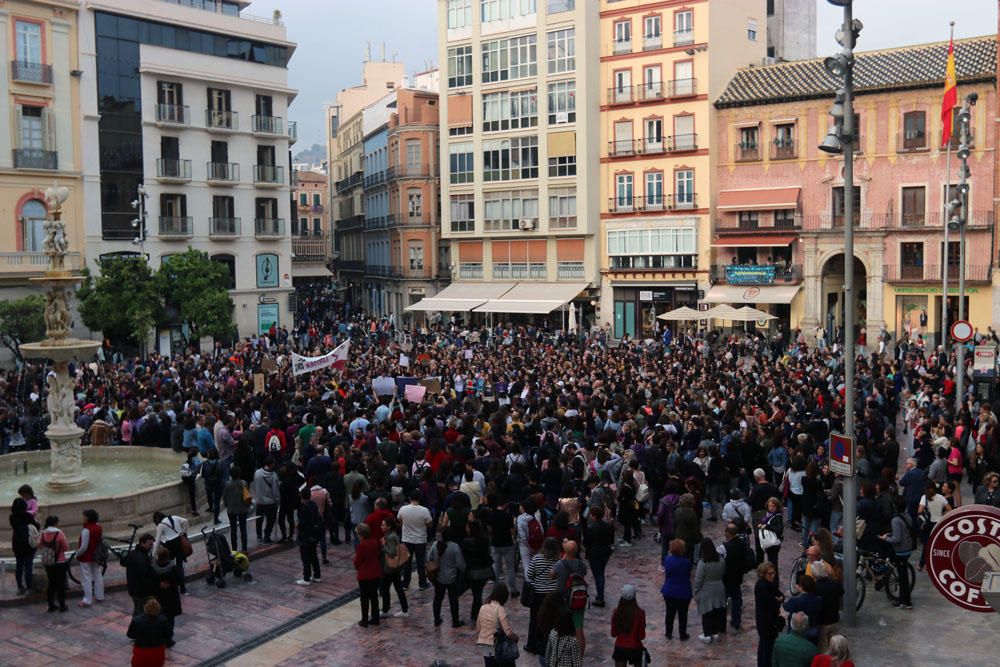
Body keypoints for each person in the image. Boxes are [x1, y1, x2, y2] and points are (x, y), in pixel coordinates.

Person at [526, 537, 561, 653]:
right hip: (552, 595)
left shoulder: (536, 559)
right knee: (551, 620)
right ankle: (548, 644)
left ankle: (532, 644)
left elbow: (529, 575)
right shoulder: (558, 561)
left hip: (537, 594)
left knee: (534, 619)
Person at [880, 496, 915, 610]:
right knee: (903, 575)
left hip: (901, 550)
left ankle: (905, 601)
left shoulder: (895, 520)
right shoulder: (907, 516)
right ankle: (905, 599)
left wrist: (885, 539)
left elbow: (897, 539)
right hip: (908, 547)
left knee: (903, 577)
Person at [475, 582, 518, 667]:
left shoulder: (483, 607)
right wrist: (516, 638)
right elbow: (508, 631)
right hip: (497, 645)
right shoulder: (500, 609)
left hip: (485, 645)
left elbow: (478, 628)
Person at [429, 534, 467, 628]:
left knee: (438, 598)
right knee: (453, 600)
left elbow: (429, 558)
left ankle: (436, 619)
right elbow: (460, 564)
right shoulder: (455, 547)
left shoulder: (435, 545)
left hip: (438, 577)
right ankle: (455, 621)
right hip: (452, 578)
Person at [398, 489, 433, 591]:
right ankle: (422, 583)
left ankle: (405, 583)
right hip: (420, 540)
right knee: (420, 562)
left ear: (409, 498)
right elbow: (430, 524)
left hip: (406, 539)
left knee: (407, 562)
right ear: (420, 498)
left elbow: (400, 521)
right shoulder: (424, 510)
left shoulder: (403, 509)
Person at [693, 536, 726, 644]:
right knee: (716, 610)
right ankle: (714, 632)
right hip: (719, 587)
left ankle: (707, 634)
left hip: (707, 589)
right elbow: (723, 572)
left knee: (706, 612)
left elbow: (698, 579)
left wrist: (696, 592)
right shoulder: (721, 560)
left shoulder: (703, 563)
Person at [582, 505, 614, 607]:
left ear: (593, 516)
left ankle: (600, 598)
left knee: (598, 575)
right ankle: (600, 595)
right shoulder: (608, 525)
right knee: (600, 573)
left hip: (594, 553)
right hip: (605, 552)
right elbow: (611, 539)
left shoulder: (591, 528)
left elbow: (585, 542)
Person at [661, 538, 692, 641]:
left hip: (669, 590)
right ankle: (682, 634)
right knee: (683, 614)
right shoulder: (687, 562)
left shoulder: (667, 560)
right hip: (683, 591)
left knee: (669, 613)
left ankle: (668, 632)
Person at [149, 547, 181, 647]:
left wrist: (158, 584)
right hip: (171, 597)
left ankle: (160, 637)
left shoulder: (153, 568)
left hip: (159, 597)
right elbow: (179, 580)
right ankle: (168, 639)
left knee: (159, 617)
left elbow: (149, 580)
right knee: (170, 619)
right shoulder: (173, 568)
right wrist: (170, 584)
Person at [754, 561, 784, 667]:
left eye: (774, 573)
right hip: (765, 622)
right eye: (770, 573)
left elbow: (779, 594)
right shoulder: (762, 586)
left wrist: (780, 599)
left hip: (769, 621)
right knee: (766, 648)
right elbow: (771, 604)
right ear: (763, 574)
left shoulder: (769, 584)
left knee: (765, 646)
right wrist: (778, 601)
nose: (773, 575)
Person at [810, 560, 844, 652]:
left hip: (822, 622)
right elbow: (841, 592)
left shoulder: (815, 588)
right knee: (834, 645)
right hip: (834, 618)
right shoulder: (834, 584)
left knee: (823, 647)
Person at [720, 523, 749, 631]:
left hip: (727, 577)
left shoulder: (725, 546)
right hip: (737, 576)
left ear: (728, 533)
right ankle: (736, 621)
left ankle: (721, 624)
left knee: (723, 601)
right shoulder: (742, 543)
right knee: (737, 599)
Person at [152, 511, 189, 595]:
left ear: (157, 519)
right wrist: (184, 532)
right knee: (180, 566)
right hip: (179, 542)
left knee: (168, 565)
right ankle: (183, 589)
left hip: (170, 545)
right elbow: (185, 521)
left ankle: (171, 585)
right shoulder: (174, 517)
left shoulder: (161, 525)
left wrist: (153, 554)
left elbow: (157, 541)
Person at [354, 522, 383, 627]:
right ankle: (375, 618)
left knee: (364, 598)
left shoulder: (361, 545)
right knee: (374, 596)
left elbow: (358, 561)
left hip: (365, 574)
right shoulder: (375, 542)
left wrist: (356, 565)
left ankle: (364, 620)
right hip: (375, 573)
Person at [127, 597, 171, 667]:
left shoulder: (137, 620)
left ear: (145, 608)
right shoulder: (163, 620)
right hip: (157, 649)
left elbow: (130, 634)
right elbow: (168, 635)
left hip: (141, 649)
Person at [610, 583, 646, 667]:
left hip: (620, 647)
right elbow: (641, 636)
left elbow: (613, 634)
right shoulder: (640, 613)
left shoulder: (616, 612)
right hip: (635, 647)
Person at [38, 514, 69, 612]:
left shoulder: (43, 534)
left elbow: (39, 545)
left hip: (48, 562)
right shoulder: (59, 534)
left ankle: (51, 605)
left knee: (51, 583)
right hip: (60, 562)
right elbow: (65, 547)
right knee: (61, 584)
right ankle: (62, 605)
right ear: (55, 523)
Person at [380, 516, 409, 617]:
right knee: (397, 588)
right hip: (395, 568)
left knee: (386, 589)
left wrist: (383, 545)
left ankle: (385, 610)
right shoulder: (392, 535)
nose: (381, 526)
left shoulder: (390, 537)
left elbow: (391, 552)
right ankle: (404, 609)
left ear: (389, 527)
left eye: (383, 525)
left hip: (390, 568)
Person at [9, 496, 38, 595]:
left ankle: (20, 587)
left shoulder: (12, 517)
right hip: (27, 542)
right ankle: (29, 588)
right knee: (28, 565)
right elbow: (36, 526)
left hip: (17, 543)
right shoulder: (28, 516)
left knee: (19, 565)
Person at [77, 508, 105, 607]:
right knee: (97, 575)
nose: (83, 519)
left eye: (84, 517)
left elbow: (84, 547)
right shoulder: (98, 527)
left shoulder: (86, 530)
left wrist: (77, 553)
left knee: (86, 577)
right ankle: (100, 596)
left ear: (88, 518)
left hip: (86, 556)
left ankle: (87, 599)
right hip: (96, 555)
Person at [296, 487, 322, 585]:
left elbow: (302, 523)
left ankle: (306, 578)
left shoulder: (303, 508)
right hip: (314, 535)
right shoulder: (313, 505)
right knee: (314, 555)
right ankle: (317, 575)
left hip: (305, 536)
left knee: (306, 558)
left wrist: (298, 526)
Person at [126, 533, 156, 617]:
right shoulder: (142, 558)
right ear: (142, 543)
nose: (151, 547)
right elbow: (143, 577)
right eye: (149, 544)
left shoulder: (133, 554)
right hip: (140, 591)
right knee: (140, 612)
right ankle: (136, 628)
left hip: (133, 589)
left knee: (138, 609)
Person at [252, 456, 280, 544]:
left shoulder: (257, 473)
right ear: (271, 464)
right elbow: (276, 492)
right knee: (270, 520)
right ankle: (267, 536)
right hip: (270, 503)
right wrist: (277, 501)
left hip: (259, 501)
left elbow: (254, 485)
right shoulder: (274, 476)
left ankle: (259, 536)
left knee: (259, 520)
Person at [222, 466, 251, 553]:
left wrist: (228, 505)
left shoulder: (227, 484)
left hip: (231, 510)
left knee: (233, 529)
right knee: (243, 528)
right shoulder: (244, 483)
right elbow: (247, 496)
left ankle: (234, 549)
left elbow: (224, 497)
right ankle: (244, 548)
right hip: (242, 509)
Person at [757, 496, 784, 577]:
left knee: (773, 564)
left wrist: (767, 526)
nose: (771, 508)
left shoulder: (778, 517)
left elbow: (779, 529)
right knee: (771, 562)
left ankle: (774, 581)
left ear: (777, 507)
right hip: (769, 543)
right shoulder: (768, 515)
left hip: (774, 544)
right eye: (770, 506)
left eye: (773, 506)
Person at [199, 448, 224, 523]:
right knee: (217, 502)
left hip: (208, 484)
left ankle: (210, 508)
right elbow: (222, 474)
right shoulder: (220, 463)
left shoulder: (205, 463)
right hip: (218, 485)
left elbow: (202, 475)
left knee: (209, 496)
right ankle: (216, 519)